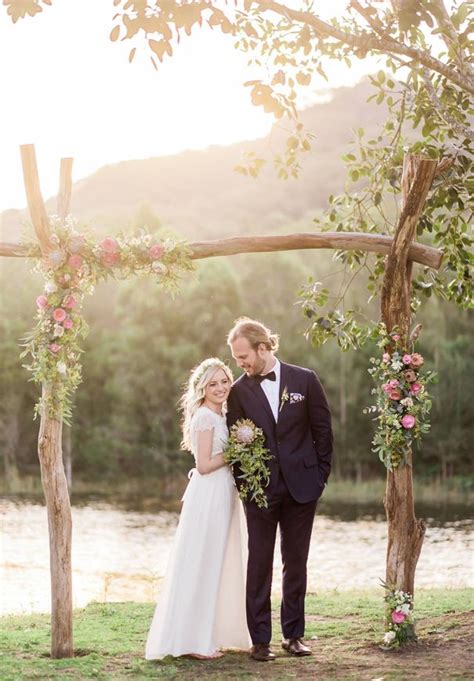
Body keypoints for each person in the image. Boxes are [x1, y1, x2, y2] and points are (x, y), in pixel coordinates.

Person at [227, 318, 333, 662]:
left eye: (243, 356)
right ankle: (260, 640)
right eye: (235, 357)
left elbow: (323, 431)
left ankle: (294, 635)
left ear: (263, 347)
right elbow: (236, 444)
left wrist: (319, 477)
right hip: (260, 492)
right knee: (259, 563)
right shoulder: (239, 391)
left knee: (296, 562)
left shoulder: (305, 379)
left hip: (303, 488)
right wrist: (247, 485)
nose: (239, 363)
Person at [145, 358, 251, 660]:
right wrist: (235, 452)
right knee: (203, 561)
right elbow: (203, 466)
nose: (220, 388)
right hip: (209, 494)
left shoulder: (223, 415)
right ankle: (192, 640)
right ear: (202, 389)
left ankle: (213, 632)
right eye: (213, 383)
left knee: (218, 561)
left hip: (224, 493)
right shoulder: (204, 417)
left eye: (224, 381)